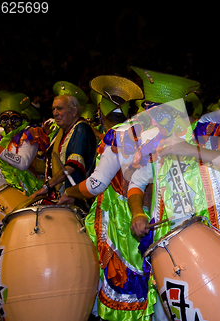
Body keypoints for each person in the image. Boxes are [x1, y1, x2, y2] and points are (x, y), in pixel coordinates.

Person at [126, 66, 220, 320]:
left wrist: (192, 151)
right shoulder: (152, 149)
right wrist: (138, 211)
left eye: (152, 114)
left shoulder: (208, 135)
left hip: (215, 243)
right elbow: (136, 183)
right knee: (166, 314)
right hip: (168, 249)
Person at [57, 75, 148, 321]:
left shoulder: (117, 137)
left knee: (118, 280)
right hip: (140, 211)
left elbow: (96, 184)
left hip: (119, 219)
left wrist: (69, 192)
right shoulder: (139, 132)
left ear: (100, 110)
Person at [0, 90, 49, 235]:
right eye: (4, 118)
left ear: (21, 119)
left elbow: (22, 163)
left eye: (14, 118)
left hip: (21, 196)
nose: (9, 123)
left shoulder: (28, 136)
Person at [30, 81, 96, 202]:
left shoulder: (81, 129)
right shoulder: (60, 132)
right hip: (61, 197)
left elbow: (72, 166)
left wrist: (47, 186)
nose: (55, 113)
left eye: (60, 109)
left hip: (77, 200)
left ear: (74, 111)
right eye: (53, 109)